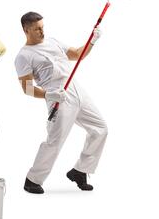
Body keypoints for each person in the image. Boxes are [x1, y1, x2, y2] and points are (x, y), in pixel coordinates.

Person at [15, 12, 108, 193]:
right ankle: (32, 179)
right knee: (55, 141)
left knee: (100, 128)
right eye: (37, 29)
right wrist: (48, 95)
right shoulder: (23, 56)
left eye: (42, 27)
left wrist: (92, 40)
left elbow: (77, 55)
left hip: (75, 89)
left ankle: (80, 170)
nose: (42, 31)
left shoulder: (53, 41)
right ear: (26, 30)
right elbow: (26, 88)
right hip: (57, 95)